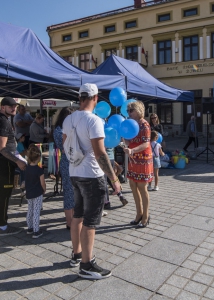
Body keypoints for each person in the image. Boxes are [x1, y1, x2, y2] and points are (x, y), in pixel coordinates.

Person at [63, 83, 121, 280]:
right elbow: (100, 154)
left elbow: (65, 145)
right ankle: (87, 265)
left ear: (80, 98)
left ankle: (77, 254)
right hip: (91, 175)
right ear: (95, 98)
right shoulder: (94, 120)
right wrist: (114, 178)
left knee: (77, 215)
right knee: (90, 221)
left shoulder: (68, 119)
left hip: (74, 173)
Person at [0, 97, 26, 236]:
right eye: (11, 106)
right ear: (2, 107)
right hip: (4, 163)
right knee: (5, 193)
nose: (14, 108)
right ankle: (3, 226)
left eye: (15, 106)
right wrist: (18, 161)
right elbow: (1, 147)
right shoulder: (3, 121)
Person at [123, 101, 153, 228]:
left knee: (142, 187)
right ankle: (138, 213)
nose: (129, 113)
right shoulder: (131, 124)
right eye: (128, 111)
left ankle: (146, 216)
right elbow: (129, 141)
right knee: (133, 185)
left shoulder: (144, 124)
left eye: (131, 110)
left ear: (138, 110)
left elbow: (146, 143)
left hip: (143, 158)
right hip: (133, 158)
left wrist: (132, 150)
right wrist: (124, 137)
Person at [53, 107, 75, 229]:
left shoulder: (59, 129)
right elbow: (66, 147)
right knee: (69, 192)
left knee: (73, 192)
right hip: (68, 162)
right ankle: (69, 222)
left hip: (69, 162)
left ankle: (73, 220)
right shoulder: (60, 131)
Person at [25, 144, 46, 238]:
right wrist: (44, 190)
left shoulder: (26, 168)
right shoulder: (39, 170)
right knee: (36, 212)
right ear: (38, 157)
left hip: (29, 192)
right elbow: (42, 183)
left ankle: (29, 227)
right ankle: (36, 230)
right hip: (37, 193)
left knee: (30, 210)